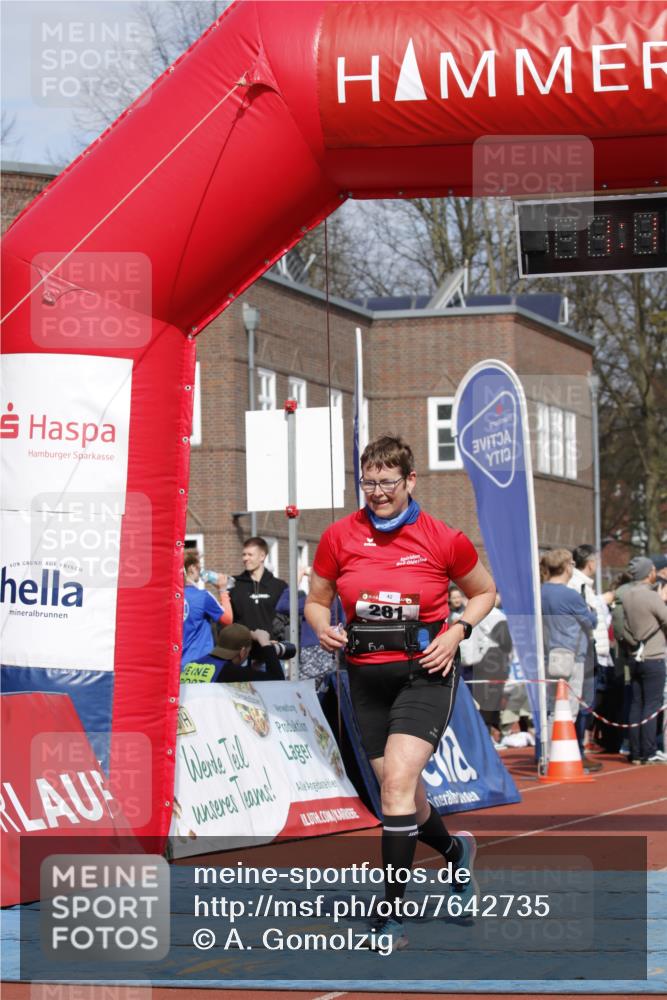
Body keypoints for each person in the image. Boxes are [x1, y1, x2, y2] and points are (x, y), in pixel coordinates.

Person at [305, 435, 496, 950]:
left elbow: (484, 591)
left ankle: (389, 916)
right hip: (364, 678)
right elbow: (316, 601)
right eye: (368, 483)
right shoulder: (339, 536)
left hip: (424, 672)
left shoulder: (443, 537)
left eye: (388, 482)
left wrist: (458, 631)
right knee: (399, 789)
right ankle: (455, 852)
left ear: (410, 481)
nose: (378, 493)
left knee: (395, 790)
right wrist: (323, 627)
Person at [540, 548, 597, 763]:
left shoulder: (541, 592)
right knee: (569, 709)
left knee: (550, 708)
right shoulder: (570, 595)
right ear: (565, 567)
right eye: (572, 564)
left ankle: (547, 755)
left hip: (547, 654)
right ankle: (561, 757)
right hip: (572, 655)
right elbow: (591, 622)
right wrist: (592, 611)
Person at [620, 556, 667, 765]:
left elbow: (622, 626)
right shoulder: (651, 596)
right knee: (652, 704)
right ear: (649, 573)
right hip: (654, 655)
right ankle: (649, 750)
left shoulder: (627, 596)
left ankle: (636, 750)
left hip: (635, 655)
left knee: (637, 703)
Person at [181, 624, 286, 683]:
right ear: (242, 652)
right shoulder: (228, 671)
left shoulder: (191, 665)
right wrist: (265, 643)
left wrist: (254, 668)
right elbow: (277, 680)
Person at [181, 549, 233, 668]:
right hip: (200, 664)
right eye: (199, 566)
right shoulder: (202, 596)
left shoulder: (170, 597)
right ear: (192, 567)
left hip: (177, 665)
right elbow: (228, 620)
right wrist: (222, 590)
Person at [230, 536, 287, 635]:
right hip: (243, 647)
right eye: (244, 554)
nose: (245, 558)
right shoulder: (234, 584)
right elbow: (227, 618)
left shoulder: (279, 586)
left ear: (262, 556)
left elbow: (286, 617)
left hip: (271, 646)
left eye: (250, 555)